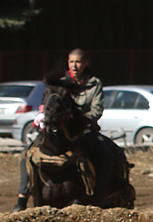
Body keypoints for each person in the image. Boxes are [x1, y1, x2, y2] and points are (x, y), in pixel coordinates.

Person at [13, 49, 111, 211]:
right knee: (27, 153)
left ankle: (99, 197)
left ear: (86, 63)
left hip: (84, 129)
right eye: (71, 62)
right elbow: (48, 102)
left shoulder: (94, 83)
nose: (74, 65)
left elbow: (97, 110)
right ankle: (22, 198)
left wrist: (80, 120)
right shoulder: (59, 82)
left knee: (105, 153)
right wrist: (43, 114)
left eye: (78, 62)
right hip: (56, 129)